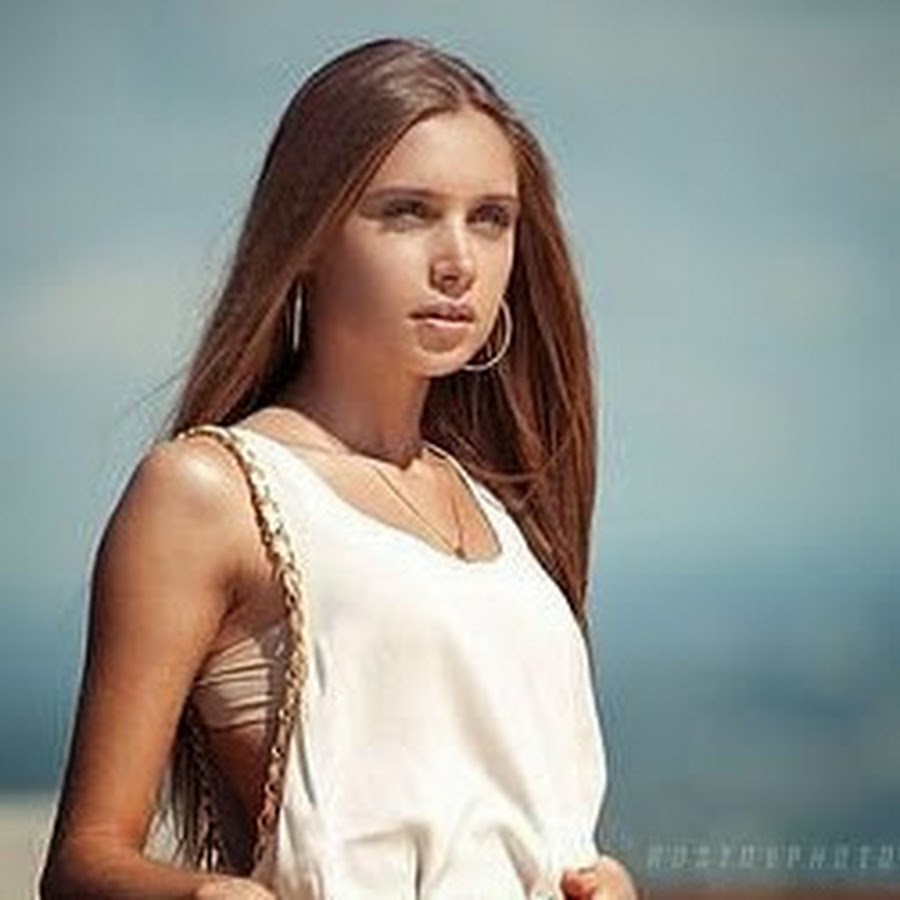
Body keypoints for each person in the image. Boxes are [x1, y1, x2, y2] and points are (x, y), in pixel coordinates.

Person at [40, 36, 638, 900]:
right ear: (311, 234)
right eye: (407, 212)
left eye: (490, 218)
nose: (458, 262)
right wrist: (212, 896)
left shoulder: (501, 513)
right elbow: (84, 863)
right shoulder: (210, 492)